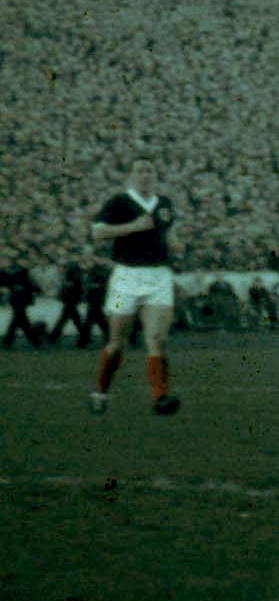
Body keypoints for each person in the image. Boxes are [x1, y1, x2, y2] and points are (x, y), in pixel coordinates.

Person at [87, 159, 182, 415]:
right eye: (139, 171)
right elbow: (97, 233)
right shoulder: (119, 202)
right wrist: (133, 227)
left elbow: (170, 235)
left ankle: (160, 396)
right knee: (117, 342)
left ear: (155, 175)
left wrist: (176, 245)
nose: (145, 175)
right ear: (130, 176)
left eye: (149, 170)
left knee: (157, 339)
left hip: (158, 278)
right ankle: (101, 390)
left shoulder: (164, 204)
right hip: (124, 281)